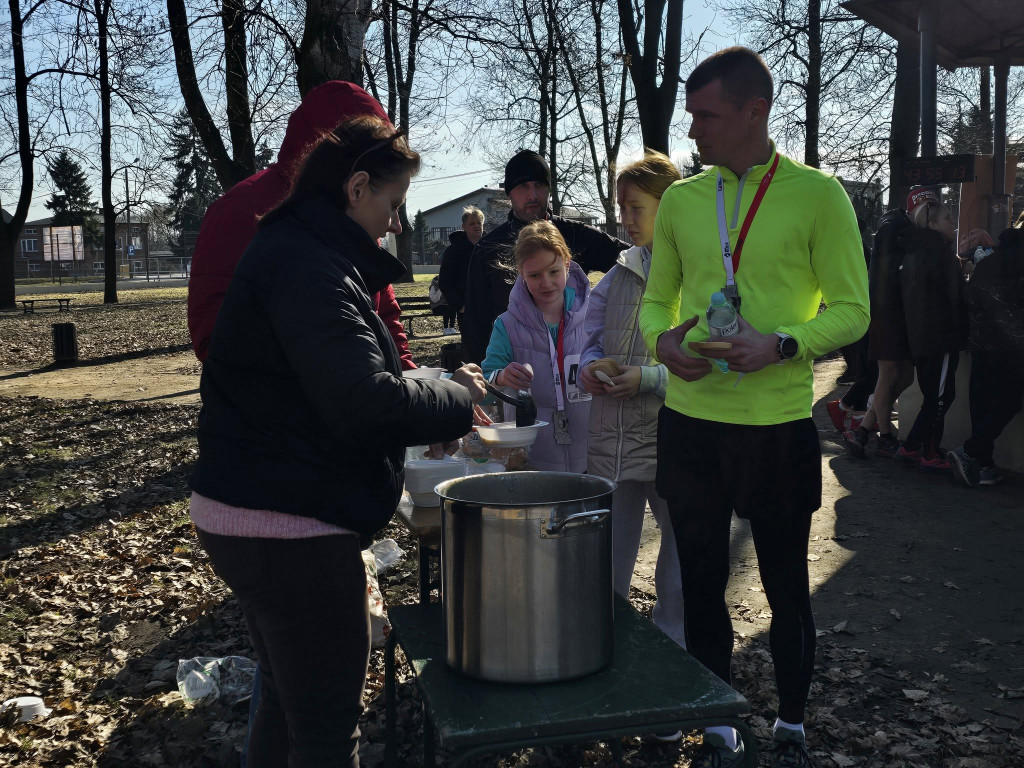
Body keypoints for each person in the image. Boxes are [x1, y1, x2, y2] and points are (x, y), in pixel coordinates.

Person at [188, 115, 487, 767]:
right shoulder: (307, 266)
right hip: (288, 530)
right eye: (394, 204)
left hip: (255, 512)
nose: (396, 225)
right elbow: (364, 400)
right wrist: (459, 402)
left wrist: (434, 387)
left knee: (286, 709)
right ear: (356, 188)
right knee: (324, 733)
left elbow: (344, 377)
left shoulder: (301, 252)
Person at [639, 47, 869, 768]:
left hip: (774, 429)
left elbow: (854, 310)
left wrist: (786, 344)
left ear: (753, 110)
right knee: (701, 587)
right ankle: (718, 727)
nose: (694, 130)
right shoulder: (681, 199)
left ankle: (792, 728)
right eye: (692, 116)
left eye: (706, 116)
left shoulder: (818, 195)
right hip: (692, 423)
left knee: (785, 587)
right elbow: (657, 304)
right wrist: (662, 344)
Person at [187, 80, 414, 370]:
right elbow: (216, 335)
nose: (396, 226)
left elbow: (384, 317)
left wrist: (412, 386)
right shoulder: (238, 210)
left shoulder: (359, 215)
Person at [578, 152, 686, 667]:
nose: (626, 217)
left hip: (671, 443)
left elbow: (709, 366)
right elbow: (589, 340)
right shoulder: (618, 274)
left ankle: (673, 646)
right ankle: (608, 647)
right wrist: (592, 368)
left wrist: (645, 378)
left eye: (636, 206)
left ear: (671, 206)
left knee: (680, 551)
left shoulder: (697, 274)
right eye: (622, 206)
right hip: (615, 442)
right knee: (611, 553)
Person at [461, 150, 627, 363]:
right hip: (515, 371)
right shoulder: (489, 247)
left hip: (573, 369)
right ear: (509, 192)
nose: (533, 195)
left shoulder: (575, 234)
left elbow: (631, 260)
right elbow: (475, 321)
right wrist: (487, 380)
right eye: (523, 186)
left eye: (539, 185)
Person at [481, 220, 592, 472]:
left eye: (554, 271)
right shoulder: (507, 326)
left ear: (567, 264)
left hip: (590, 457)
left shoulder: (594, 316)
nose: (546, 283)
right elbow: (485, 387)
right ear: (521, 272)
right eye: (534, 275)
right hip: (531, 462)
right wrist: (501, 378)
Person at [892, 188, 966, 469]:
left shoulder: (914, 252)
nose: (953, 224)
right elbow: (953, 297)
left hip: (922, 337)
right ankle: (927, 451)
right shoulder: (940, 254)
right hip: (942, 337)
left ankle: (914, 446)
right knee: (941, 397)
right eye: (947, 219)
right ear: (932, 223)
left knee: (934, 394)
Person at [948, 222, 1024, 487]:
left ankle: (984, 466)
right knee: (1010, 402)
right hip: (1013, 349)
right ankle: (970, 451)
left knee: (981, 404)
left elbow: (971, 301)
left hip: (981, 346)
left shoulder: (987, 263)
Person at [843, 201, 917, 458]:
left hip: (890, 313)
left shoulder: (893, 228)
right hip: (885, 313)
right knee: (889, 373)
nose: (951, 224)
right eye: (946, 220)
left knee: (904, 374)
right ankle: (883, 435)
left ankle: (863, 429)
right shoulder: (894, 229)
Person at [437, 206, 485, 334]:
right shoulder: (453, 251)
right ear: (464, 226)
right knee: (473, 349)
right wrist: (459, 306)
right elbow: (445, 282)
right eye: (472, 223)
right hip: (467, 310)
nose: (476, 226)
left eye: (479, 223)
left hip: (491, 309)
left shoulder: (490, 247)